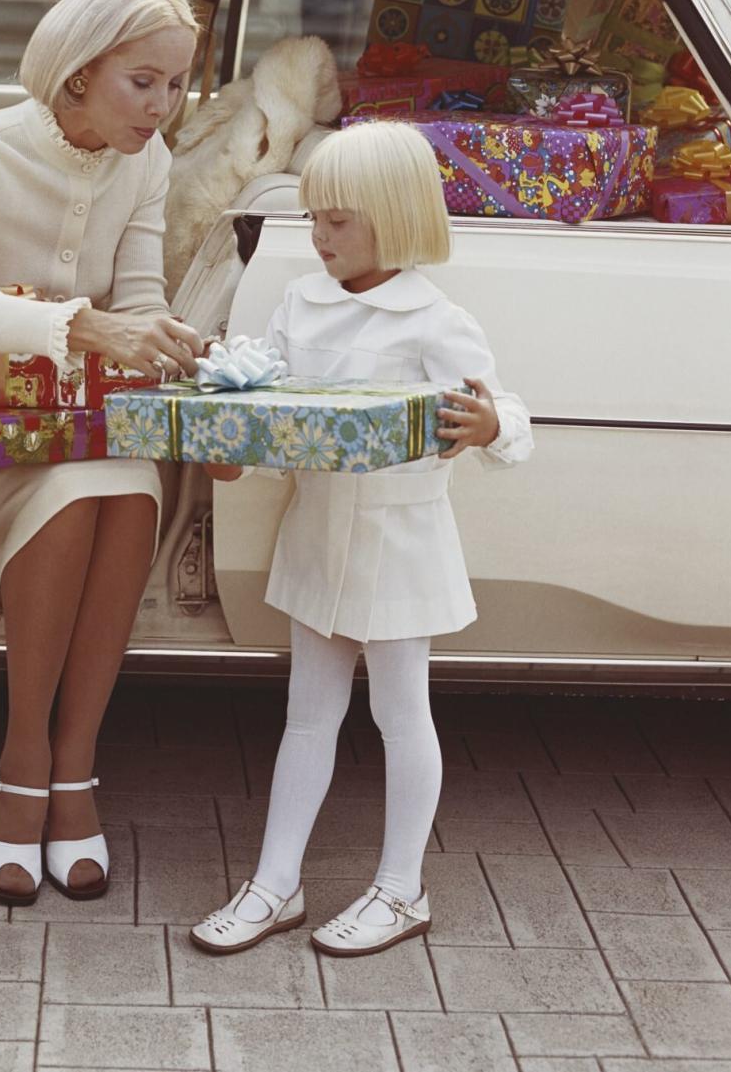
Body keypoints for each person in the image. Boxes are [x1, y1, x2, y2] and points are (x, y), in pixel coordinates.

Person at [0, 0, 203, 906]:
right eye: (143, 82)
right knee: (79, 492)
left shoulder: (147, 161)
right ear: (75, 75)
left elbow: (138, 298)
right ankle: (23, 760)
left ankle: (76, 765)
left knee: (130, 488)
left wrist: (172, 342)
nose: (164, 107)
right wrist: (86, 326)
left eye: (178, 84)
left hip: (77, 420)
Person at [190, 120, 533, 957]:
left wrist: (490, 424)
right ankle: (276, 883)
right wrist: (230, 447)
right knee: (306, 715)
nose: (319, 236)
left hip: (398, 541)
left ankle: (402, 886)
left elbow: (511, 415)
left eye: (338, 219)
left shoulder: (433, 319)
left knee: (399, 712)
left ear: (395, 215)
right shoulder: (299, 302)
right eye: (314, 217)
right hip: (316, 532)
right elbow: (269, 407)